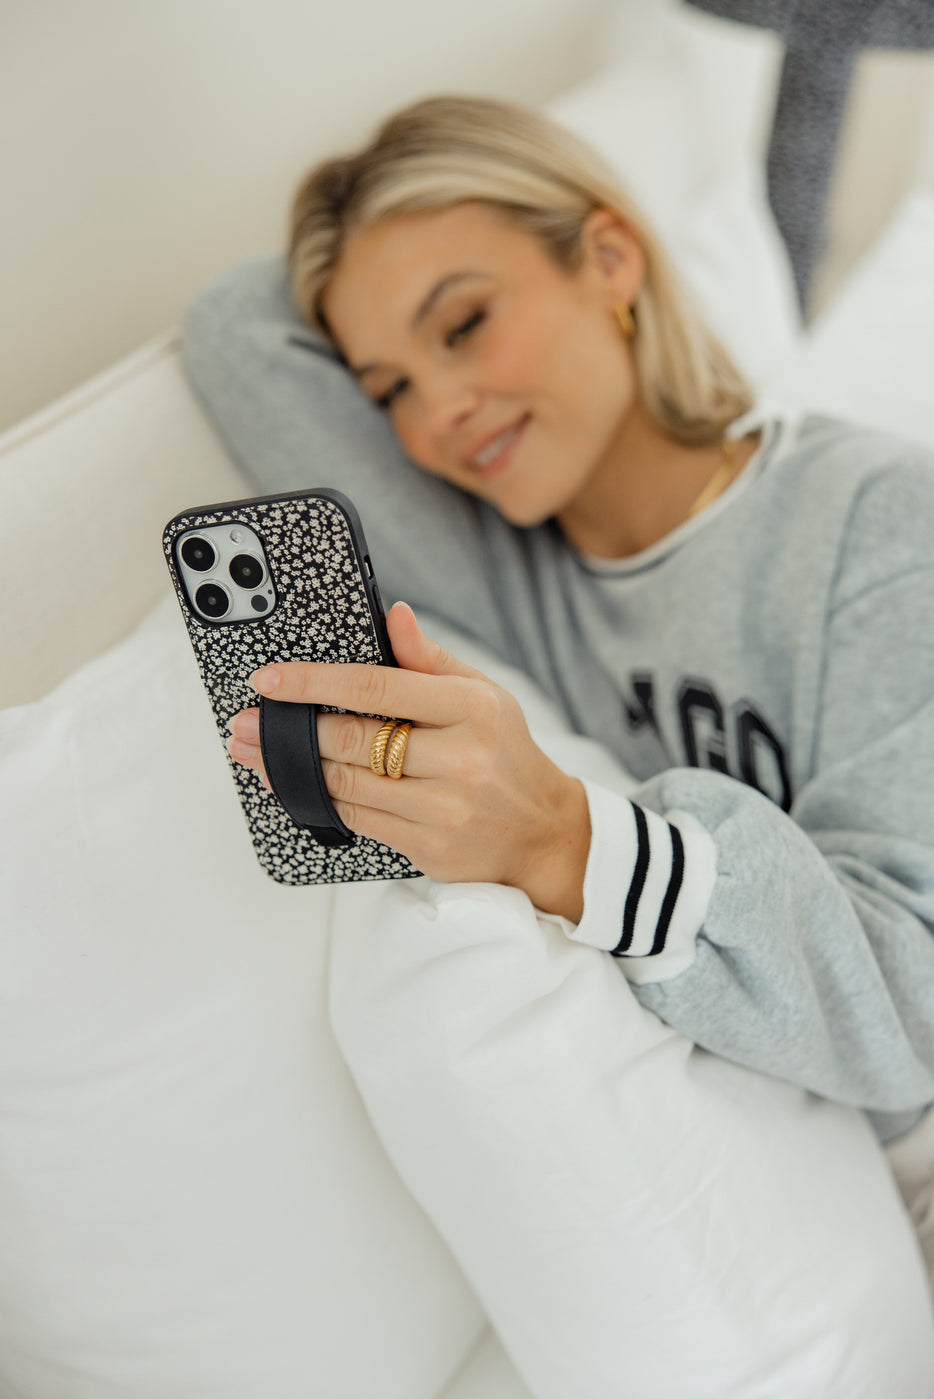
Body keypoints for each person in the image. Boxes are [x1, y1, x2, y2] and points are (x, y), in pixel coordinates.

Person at [182, 94, 934, 1151]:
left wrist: (567, 839)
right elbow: (234, 330)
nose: (436, 410)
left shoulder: (881, 520)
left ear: (610, 260)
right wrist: (347, 215)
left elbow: (913, 1013)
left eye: (464, 323)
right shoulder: (503, 572)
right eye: (388, 385)